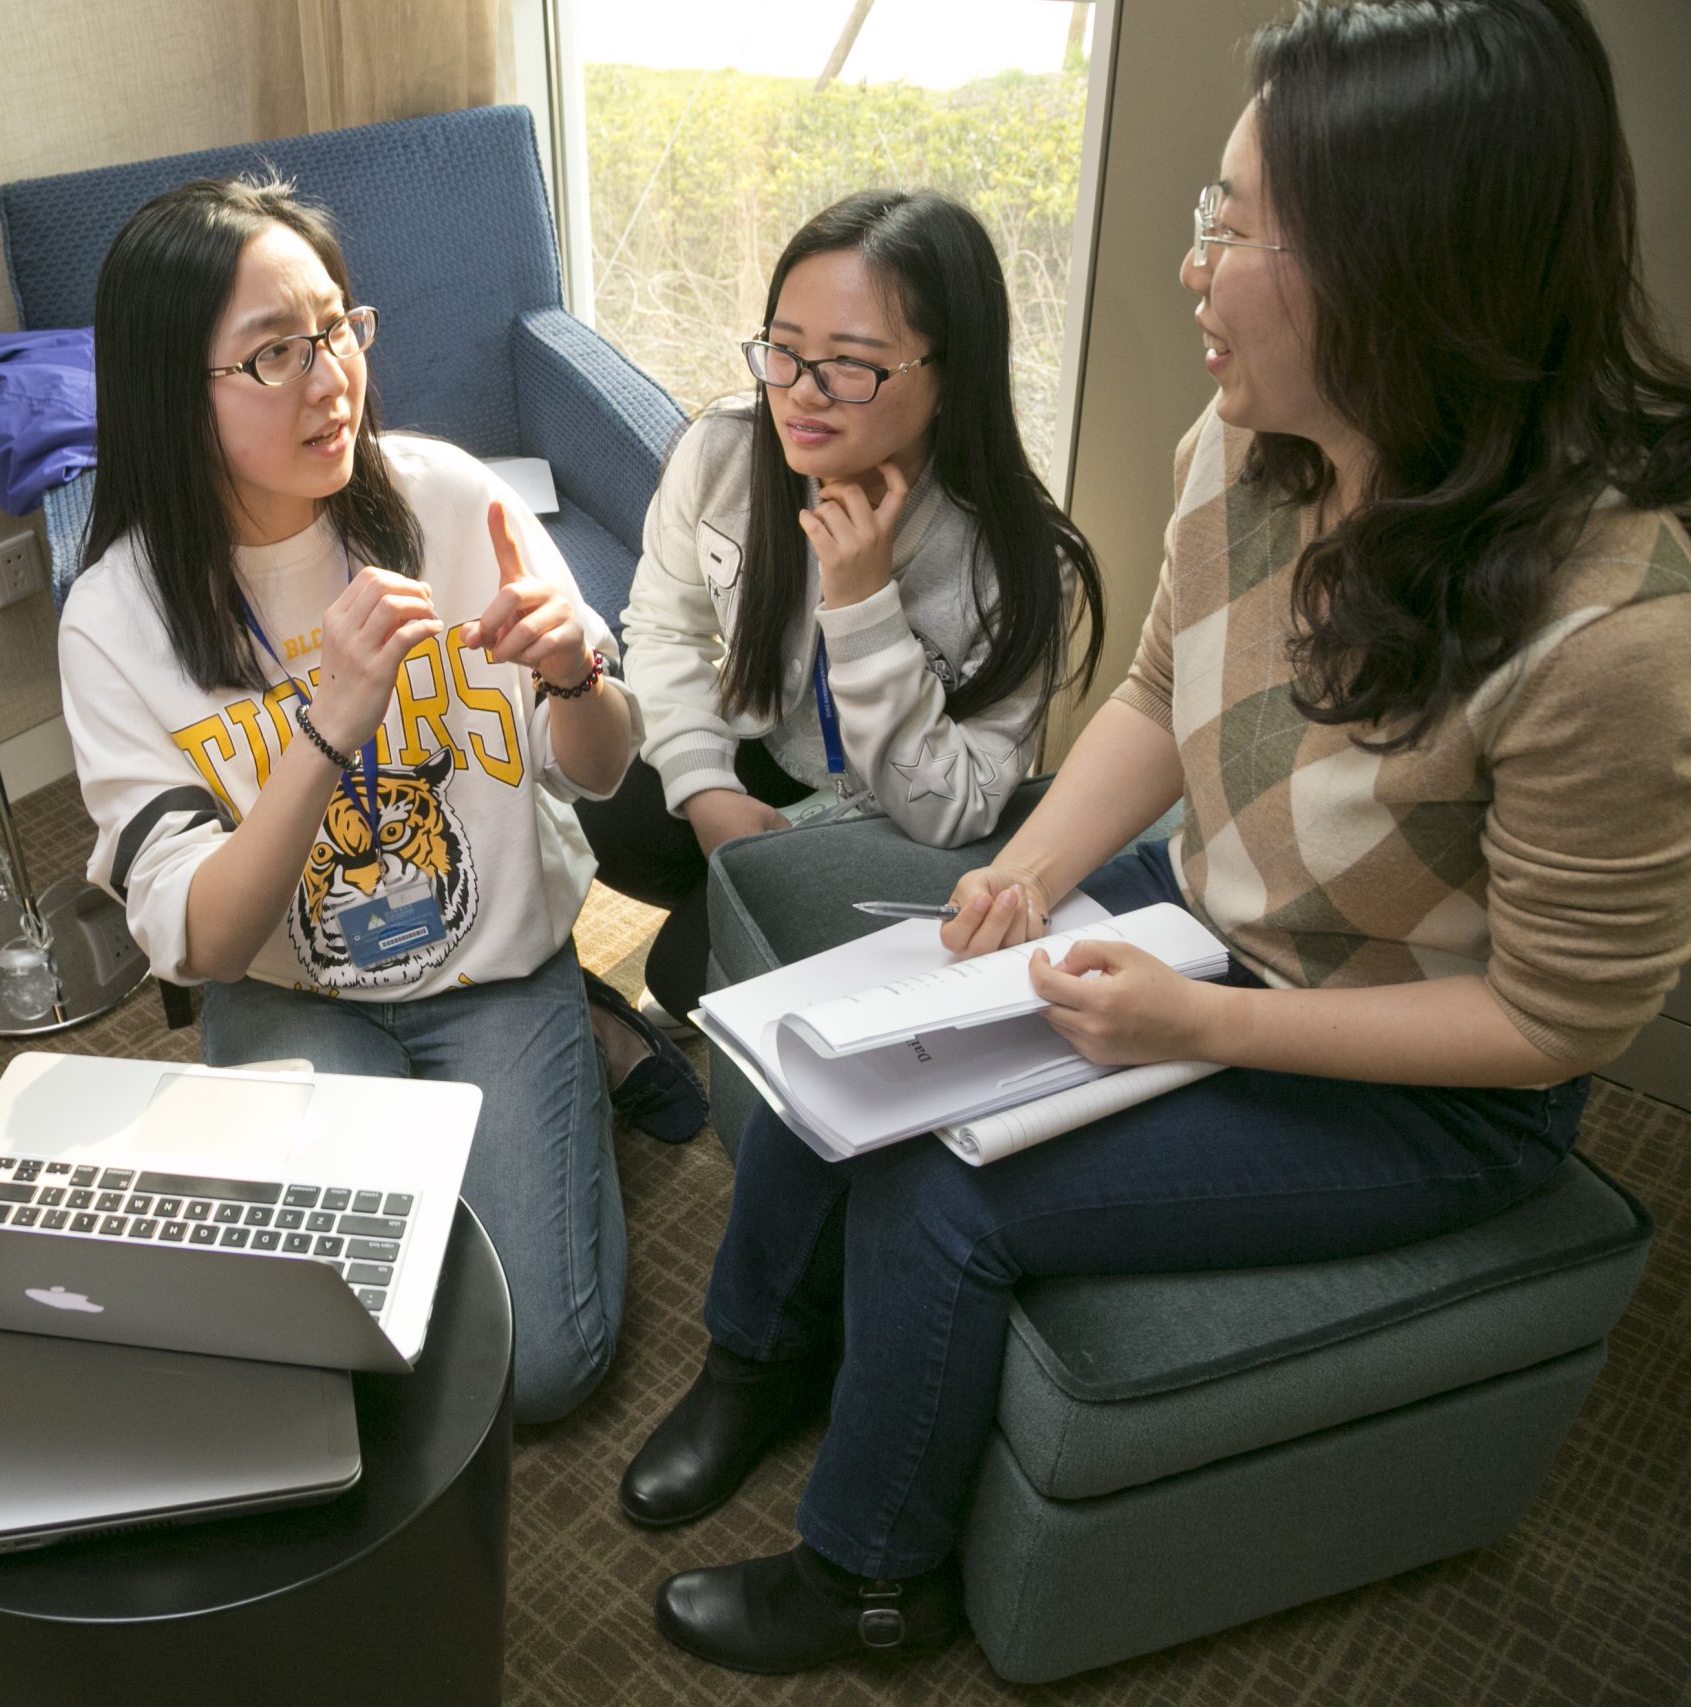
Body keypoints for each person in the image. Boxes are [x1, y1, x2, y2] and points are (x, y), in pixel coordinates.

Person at [620, 0, 1691, 1671]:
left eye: (1232, 226)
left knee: (945, 1191)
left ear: (1403, 259)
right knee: (845, 1037)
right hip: (1207, 914)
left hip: (1429, 1077)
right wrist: (1035, 864)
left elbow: (1562, 1021)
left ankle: (872, 1571)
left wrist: (1207, 1022)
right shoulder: (1242, 453)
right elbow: (1148, 692)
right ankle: (757, 1361)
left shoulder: (1615, 629)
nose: (1195, 267)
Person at [58, 177, 644, 1424]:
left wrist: (573, 672)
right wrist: (331, 724)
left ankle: (573, 1037)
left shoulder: (447, 501)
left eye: (334, 330)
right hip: (290, 994)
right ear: (173, 388)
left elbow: (600, 765)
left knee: (537, 1370)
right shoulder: (114, 621)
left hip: (493, 975)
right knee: (322, 1346)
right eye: (272, 353)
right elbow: (206, 941)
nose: (329, 378)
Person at [575, 190, 1105, 1028]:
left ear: (950, 373)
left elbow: (948, 809)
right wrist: (708, 794)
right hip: (774, 757)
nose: (801, 394)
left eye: (850, 365)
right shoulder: (724, 454)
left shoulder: (1023, 564)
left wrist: (864, 605)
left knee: (685, 978)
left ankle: (735, 921)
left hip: (898, 817)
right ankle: (730, 896)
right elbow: (666, 629)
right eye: (782, 352)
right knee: (592, 781)